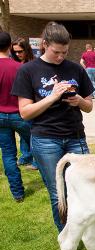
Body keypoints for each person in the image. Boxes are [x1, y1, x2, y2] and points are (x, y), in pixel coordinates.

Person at [11, 21, 95, 250]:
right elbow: (25, 113)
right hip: (45, 140)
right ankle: (67, 245)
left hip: (75, 137)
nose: (61, 57)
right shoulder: (28, 71)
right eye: (56, 52)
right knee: (59, 195)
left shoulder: (75, 69)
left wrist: (79, 101)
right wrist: (53, 97)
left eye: (65, 52)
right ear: (44, 45)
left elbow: (90, 106)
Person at [0, 32, 32, 202]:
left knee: (8, 155)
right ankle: (52, 183)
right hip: (20, 115)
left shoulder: (20, 67)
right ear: (9, 46)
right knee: (39, 147)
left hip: (1, 117)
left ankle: (17, 193)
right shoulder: (19, 68)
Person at [10, 37, 38, 170]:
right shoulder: (14, 65)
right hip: (17, 106)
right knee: (23, 134)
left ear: (27, 50)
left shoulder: (33, 65)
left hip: (31, 104)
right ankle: (26, 156)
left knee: (32, 134)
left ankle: (36, 161)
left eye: (20, 51)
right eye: (14, 52)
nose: (17, 54)